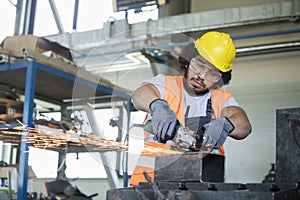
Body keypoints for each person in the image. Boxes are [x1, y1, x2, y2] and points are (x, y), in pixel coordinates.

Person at [129, 31, 252, 186]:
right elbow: (139, 95)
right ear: (188, 60)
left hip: (200, 189)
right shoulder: (165, 84)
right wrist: (158, 105)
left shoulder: (221, 99)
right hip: (147, 185)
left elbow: (244, 126)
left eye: (213, 73)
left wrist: (226, 124)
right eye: (199, 64)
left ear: (220, 78)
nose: (202, 75)